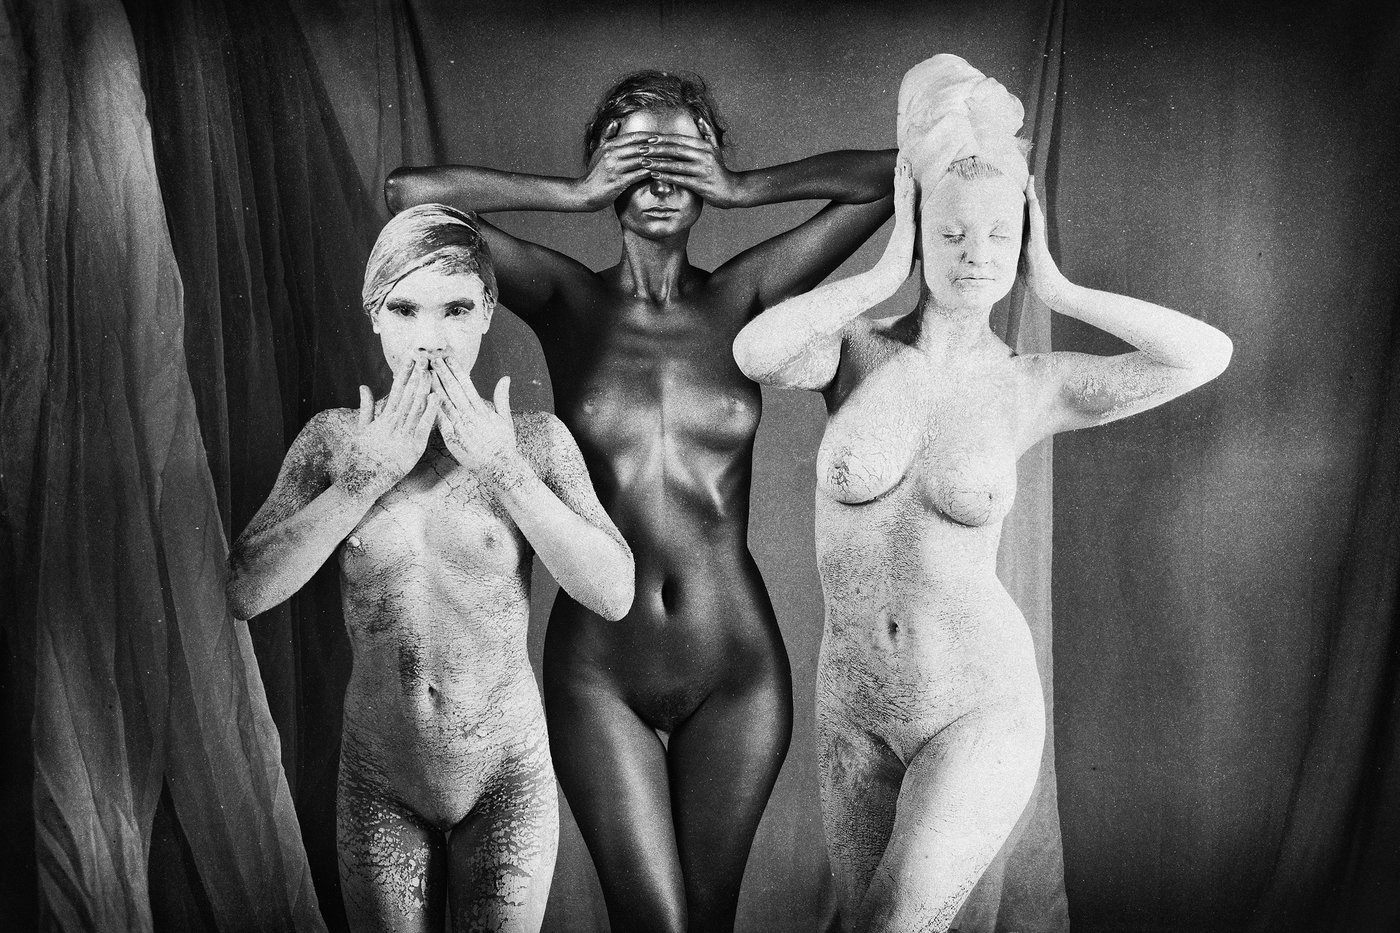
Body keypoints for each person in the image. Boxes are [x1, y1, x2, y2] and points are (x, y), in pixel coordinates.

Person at [732, 54, 1234, 933]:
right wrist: (880, 273)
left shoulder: (1031, 384)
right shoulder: (853, 352)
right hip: (853, 712)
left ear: (1025, 237)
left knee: (891, 921)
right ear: (919, 228)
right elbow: (755, 352)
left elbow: (1203, 355)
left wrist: (1060, 287)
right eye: (954, 232)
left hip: (978, 705)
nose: (977, 255)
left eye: (1000, 235)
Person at [385, 71, 895, 932]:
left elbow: (896, 180)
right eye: (637, 159)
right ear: (604, 169)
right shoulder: (565, 298)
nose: (660, 182)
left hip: (735, 665)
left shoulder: (742, 295)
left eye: (681, 160)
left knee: (707, 920)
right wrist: (574, 192)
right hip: (600, 669)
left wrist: (742, 186)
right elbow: (411, 199)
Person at [225, 204, 634, 933]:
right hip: (380, 778)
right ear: (374, 317)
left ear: (488, 313)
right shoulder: (334, 442)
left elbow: (614, 591)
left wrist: (504, 471)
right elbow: (245, 590)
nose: (430, 338)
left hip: (506, 774)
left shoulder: (534, 441)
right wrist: (363, 481)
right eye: (405, 309)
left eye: (456, 309)